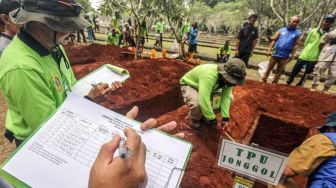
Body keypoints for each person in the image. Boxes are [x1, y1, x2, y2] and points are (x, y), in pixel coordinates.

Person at [0, 0, 123, 146]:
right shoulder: (22, 68)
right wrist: (89, 100)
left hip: (67, 123)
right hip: (39, 144)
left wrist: (92, 94)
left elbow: (69, 87)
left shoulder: (53, 46)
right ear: (43, 24)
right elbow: (49, 129)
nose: (71, 32)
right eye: (67, 26)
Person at [179, 58, 246, 129]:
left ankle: (205, 116)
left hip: (210, 87)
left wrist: (225, 117)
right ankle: (194, 118)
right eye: (232, 81)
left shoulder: (228, 82)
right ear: (225, 74)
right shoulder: (209, 76)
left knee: (230, 98)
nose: (232, 83)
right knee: (197, 103)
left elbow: (226, 96)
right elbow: (204, 98)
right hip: (191, 84)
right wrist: (212, 118)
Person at [281, 112, 336, 188]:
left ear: (331, 128)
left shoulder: (325, 140)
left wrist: (262, 164)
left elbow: (286, 172)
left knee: (274, 179)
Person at [287, 15, 335, 86]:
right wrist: (305, 50)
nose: (327, 23)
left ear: (331, 24)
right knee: (296, 68)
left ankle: (300, 84)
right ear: (323, 21)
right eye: (326, 21)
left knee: (308, 72)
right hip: (305, 54)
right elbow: (306, 42)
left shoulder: (329, 34)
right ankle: (289, 81)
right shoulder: (313, 31)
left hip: (315, 56)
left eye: (329, 22)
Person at [262, 16, 301, 84]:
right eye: (294, 21)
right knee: (269, 68)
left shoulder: (297, 33)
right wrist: (269, 50)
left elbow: (296, 45)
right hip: (275, 53)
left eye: (297, 22)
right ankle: (264, 79)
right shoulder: (281, 30)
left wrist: (292, 55)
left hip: (285, 55)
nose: (295, 23)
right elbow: (274, 40)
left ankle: (274, 82)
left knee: (279, 70)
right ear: (289, 21)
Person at [311, 16, 336, 93]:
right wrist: (324, 52)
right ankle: (314, 87)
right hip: (326, 54)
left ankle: (326, 89)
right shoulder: (331, 32)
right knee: (320, 69)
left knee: (334, 74)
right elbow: (321, 43)